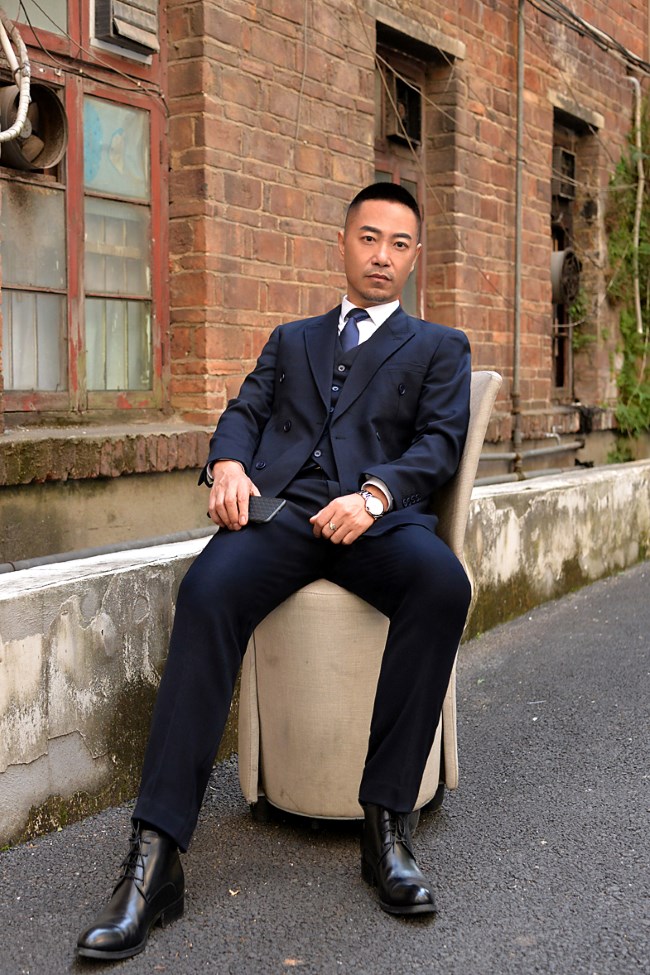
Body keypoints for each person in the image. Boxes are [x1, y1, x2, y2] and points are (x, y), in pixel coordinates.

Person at [76, 182, 472, 961]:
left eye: (399, 244)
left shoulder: (439, 346)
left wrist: (375, 494)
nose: (382, 255)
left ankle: (386, 825)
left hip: (375, 519)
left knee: (443, 582)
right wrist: (228, 462)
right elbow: (246, 410)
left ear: (415, 257)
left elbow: (439, 444)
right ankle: (155, 856)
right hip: (286, 514)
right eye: (369, 237)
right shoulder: (292, 339)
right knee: (206, 589)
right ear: (343, 242)